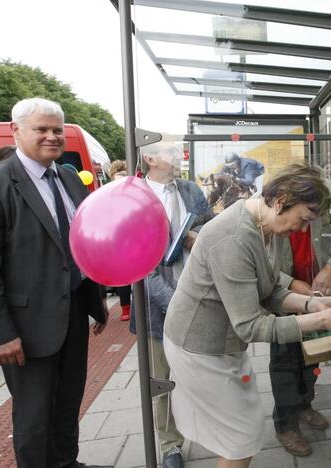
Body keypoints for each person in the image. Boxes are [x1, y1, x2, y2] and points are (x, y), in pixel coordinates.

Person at [163, 164, 331, 468]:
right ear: (281, 200)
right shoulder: (234, 237)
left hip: (224, 343)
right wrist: (323, 321)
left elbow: (269, 290)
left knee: (242, 428)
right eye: (303, 219)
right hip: (200, 346)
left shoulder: (265, 226)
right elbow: (250, 325)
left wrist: (313, 306)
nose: (301, 230)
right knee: (240, 436)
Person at [0, 97, 109, 468]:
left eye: (57, 130)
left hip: (72, 312)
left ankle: (66, 463)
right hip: (25, 329)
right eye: (41, 129)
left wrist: (95, 301)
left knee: (69, 401)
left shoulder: (70, 178)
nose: (51, 137)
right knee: (34, 415)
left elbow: (81, 242)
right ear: (16, 131)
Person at [130, 141, 215, 468]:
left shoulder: (191, 190)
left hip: (198, 297)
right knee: (162, 381)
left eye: (178, 150)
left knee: (201, 372)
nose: (178, 156)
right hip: (157, 307)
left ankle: (206, 428)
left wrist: (199, 235)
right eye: (169, 152)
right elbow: (137, 264)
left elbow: (210, 229)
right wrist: (173, 304)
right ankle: (170, 447)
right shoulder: (134, 197)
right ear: (150, 158)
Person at [268, 183, 331, 456]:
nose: (305, 227)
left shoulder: (328, 198)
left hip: (318, 293)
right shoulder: (271, 210)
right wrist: (291, 284)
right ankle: (285, 424)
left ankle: (304, 404)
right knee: (285, 361)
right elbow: (262, 264)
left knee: (312, 356)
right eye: (305, 217)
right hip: (282, 294)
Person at [105, 160, 132, 321]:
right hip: (122, 238)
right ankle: (126, 308)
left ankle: (126, 308)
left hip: (121, 237)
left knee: (125, 275)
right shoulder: (123, 189)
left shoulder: (108, 190)